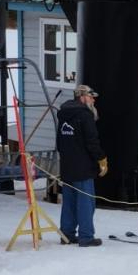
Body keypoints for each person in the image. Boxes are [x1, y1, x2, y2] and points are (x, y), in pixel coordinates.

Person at [56, 84, 106, 246]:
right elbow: (92, 141)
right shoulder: (85, 115)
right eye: (91, 97)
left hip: (67, 165)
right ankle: (86, 236)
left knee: (69, 201)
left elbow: (60, 142)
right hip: (83, 167)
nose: (93, 100)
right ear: (82, 97)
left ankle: (67, 234)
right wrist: (101, 159)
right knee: (86, 202)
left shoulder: (64, 115)